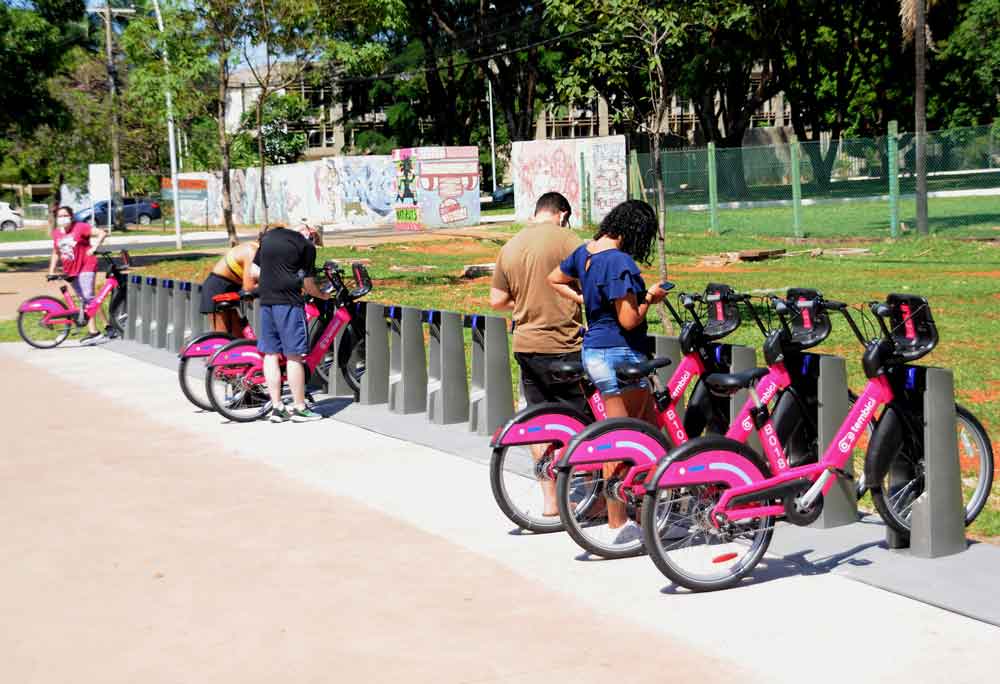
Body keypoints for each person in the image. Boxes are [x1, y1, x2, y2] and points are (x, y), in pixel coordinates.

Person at [548, 199, 669, 541]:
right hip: (620, 353)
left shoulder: (585, 252)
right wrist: (650, 297)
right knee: (629, 438)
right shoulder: (619, 261)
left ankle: (638, 513)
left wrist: (587, 300)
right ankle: (623, 522)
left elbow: (554, 278)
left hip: (593, 351)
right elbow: (629, 319)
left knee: (629, 432)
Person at [489, 191, 584, 517]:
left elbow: (497, 300)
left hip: (526, 345)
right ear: (562, 213)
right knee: (583, 420)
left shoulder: (511, 245)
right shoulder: (568, 239)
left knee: (540, 418)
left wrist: (527, 304)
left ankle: (549, 500)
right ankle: (597, 492)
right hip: (564, 342)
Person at [253, 223, 330, 423]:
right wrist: (322, 295)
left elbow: (254, 271)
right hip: (288, 304)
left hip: (266, 302)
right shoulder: (306, 246)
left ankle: (277, 408)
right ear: (311, 234)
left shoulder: (268, 238)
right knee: (294, 356)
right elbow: (308, 283)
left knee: (270, 355)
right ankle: (299, 408)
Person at [47, 205, 109, 345]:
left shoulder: (80, 227)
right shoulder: (57, 233)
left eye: (65, 215)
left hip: (86, 265)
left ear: (71, 216)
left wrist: (94, 248)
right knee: (86, 299)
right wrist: (51, 270)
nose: (63, 218)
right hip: (71, 270)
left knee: (87, 297)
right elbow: (56, 252)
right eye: (60, 216)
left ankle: (94, 332)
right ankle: (106, 327)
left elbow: (102, 233)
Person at [200, 237, 261, 336]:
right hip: (218, 287)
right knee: (222, 338)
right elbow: (248, 288)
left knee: (239, 339)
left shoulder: (256, 249)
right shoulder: (251, 251)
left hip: (232, 288)